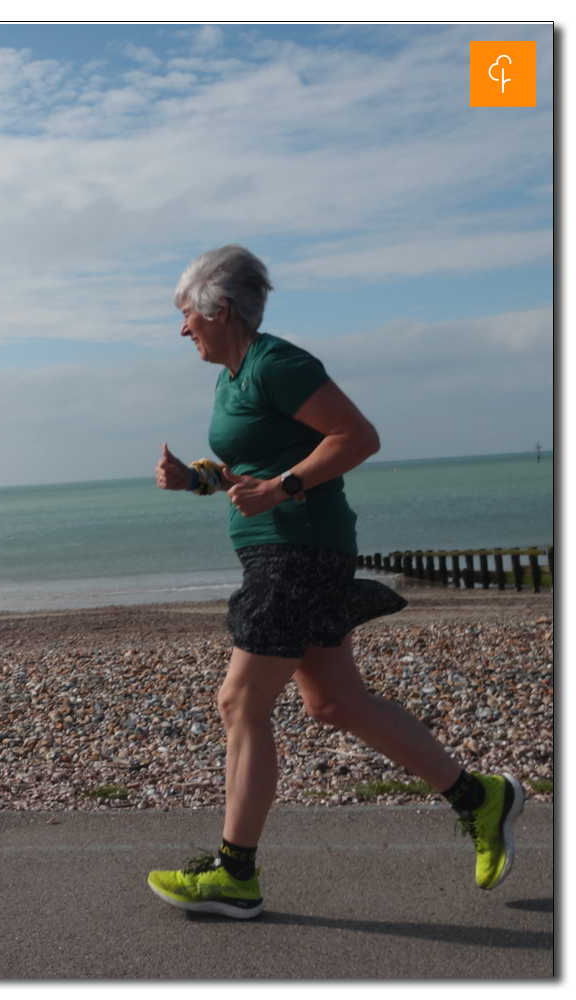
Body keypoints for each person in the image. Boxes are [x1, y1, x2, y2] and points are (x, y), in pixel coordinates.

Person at [147, 244, 524, 919]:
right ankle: (480, 798)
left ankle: (235, 874)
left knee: (239, 703)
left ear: (220, 309)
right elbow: (251, 468)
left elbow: (357, 436)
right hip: (285, 551)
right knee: (333, 701)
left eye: (186, 316)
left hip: (296, 551)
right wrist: (197, 479)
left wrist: (285, 487)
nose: (182, 330)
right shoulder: (233, 377)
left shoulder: (277, 363)